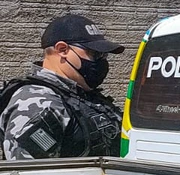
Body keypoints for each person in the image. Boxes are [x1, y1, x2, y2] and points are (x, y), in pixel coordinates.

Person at [0, 14, 125, 160]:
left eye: (104, 56)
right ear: (63, 50)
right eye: (95, 54)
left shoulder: (80, 95)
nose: (102, 62)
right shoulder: (38, 103)